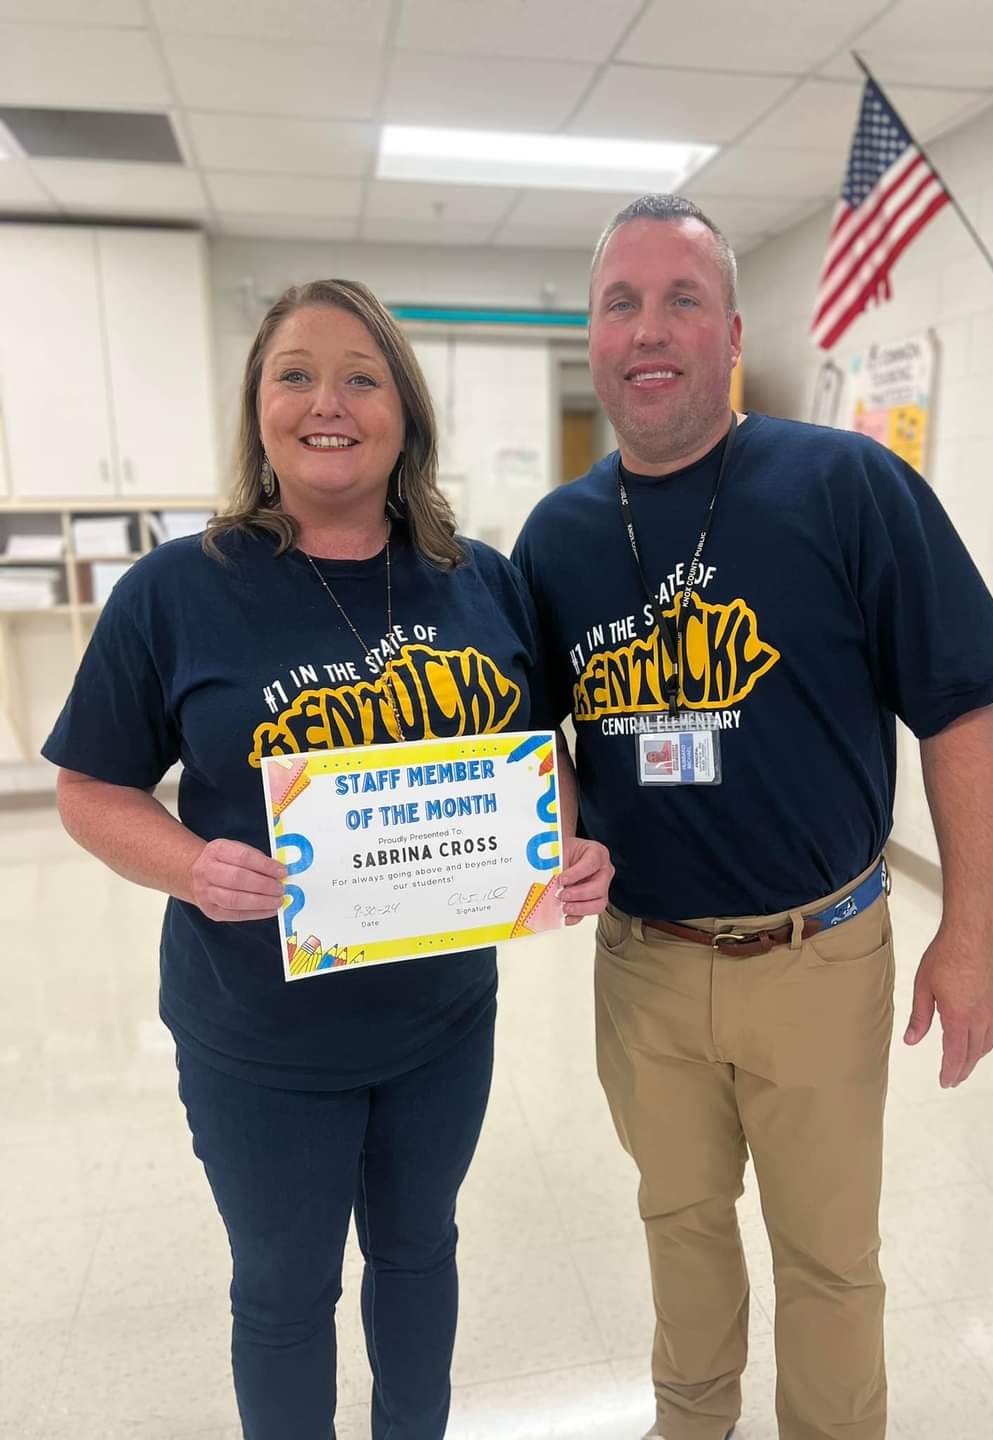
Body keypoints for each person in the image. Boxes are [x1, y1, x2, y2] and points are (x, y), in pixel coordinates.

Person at [42, 278, 612, 1440]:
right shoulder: (177, 591)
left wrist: (563, 849)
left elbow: (535, 757)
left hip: (440, 1023)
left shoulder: (482, 579)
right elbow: (91, 790)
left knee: (417, 1258)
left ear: (403, 410)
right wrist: (192, 864)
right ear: (258, 410)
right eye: (294, 374)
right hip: (258, 1034)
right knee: (285, 1291)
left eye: (361, 375)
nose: (327, 402)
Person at [512, 196, 993, 1440]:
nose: (651, 328)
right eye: (621, 301)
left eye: (682, 298)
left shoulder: (847, 485)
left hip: (820, 954)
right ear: (591, 336)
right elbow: (544, 747)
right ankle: (690, 1423)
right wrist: (553, 833)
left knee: (829, 1260)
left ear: (732, 330)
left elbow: (959, 714)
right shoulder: (558, 537)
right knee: (679, 1232)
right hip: (643, 964)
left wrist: (973, 934)